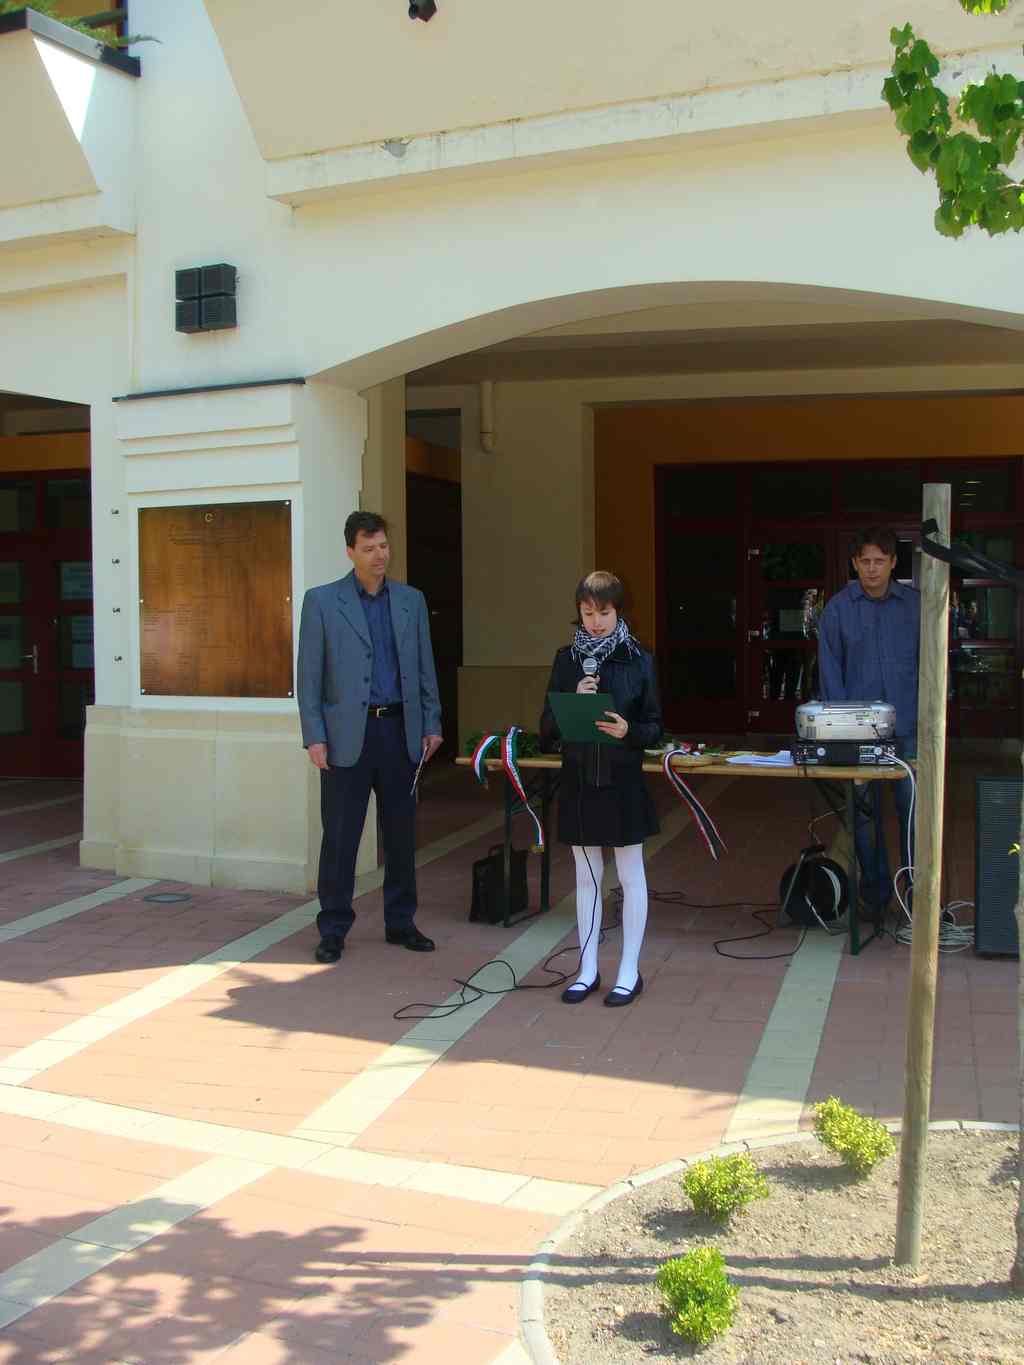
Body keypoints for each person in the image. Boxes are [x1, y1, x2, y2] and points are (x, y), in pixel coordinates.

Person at [297, 511, 443, 963]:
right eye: (369, 548)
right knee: (340, 836)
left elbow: (424, 666)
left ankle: (401, 922)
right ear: (350, 552)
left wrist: (432, 722)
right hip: (346, 737)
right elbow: (309, 677)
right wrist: (315, 736)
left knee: (401, 835)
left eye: (383, 546)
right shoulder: (322, 602)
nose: (380, 555)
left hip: (399, 731)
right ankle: (333, 927)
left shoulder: (411, 601)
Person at [540, 571, 663, 1006]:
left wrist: (629, 731)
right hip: (579, 778)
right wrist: (574, 699)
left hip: (622, 779)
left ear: (618, 611)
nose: (595, 622)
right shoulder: (566, 660)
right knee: (586, 877)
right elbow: (546, 728)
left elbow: (655, 726)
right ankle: (587, 969)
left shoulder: (639, 659)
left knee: (630, 875)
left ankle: (629, 970)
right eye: (588, 613)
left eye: (604, 613)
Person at [818, 526, 920, 916]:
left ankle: (916, 896)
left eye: (880, 561)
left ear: (893, 563)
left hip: (908, 730)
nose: (872, 569)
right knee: (863, 819)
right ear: (854, 563)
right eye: (865, 561)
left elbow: (933, 668)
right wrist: (839, 732)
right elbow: (830, 674)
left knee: (912, 815)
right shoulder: (837, 610)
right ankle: (876, 896)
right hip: (857, 734)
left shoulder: (916, 607)